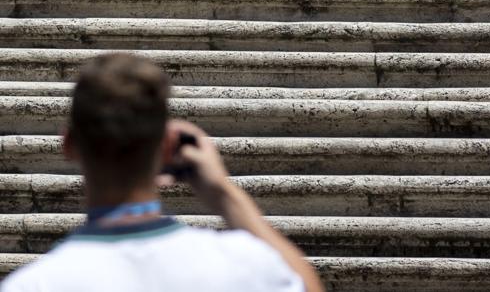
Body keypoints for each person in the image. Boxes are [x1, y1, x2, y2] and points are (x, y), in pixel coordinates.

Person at [0, 52, 324, 292]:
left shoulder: (34, 285)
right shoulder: (238, 263)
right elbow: (306, 285)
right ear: (169, 146)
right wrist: (225, 194)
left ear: (69, 144)